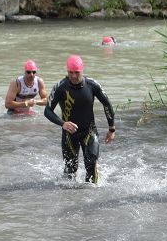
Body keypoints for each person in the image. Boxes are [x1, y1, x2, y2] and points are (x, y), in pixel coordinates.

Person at [43, 55, 116, 183]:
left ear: (82, 70)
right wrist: (63, 123)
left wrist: (112, 129)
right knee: (70, 172)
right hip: (69, 134)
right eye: (70, 72)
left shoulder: (92, 85)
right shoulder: (60, 87)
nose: (74, 76)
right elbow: (47, 111)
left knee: (91, 164)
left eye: (77, 73)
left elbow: (107, 104)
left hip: (89, 130)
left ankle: (91, 197)